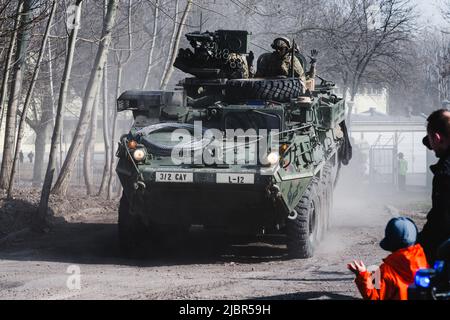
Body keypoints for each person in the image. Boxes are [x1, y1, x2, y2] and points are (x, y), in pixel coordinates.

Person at [347, 217, 428, 300]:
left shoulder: (386, 271)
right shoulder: (425, 262)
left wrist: (362, 274)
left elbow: (375, 296)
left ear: (390, 244)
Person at [419, 109, 450, 264]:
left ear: (437, 138)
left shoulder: (445, 172)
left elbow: (441, 218)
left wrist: (420, 244)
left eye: (431, 140)